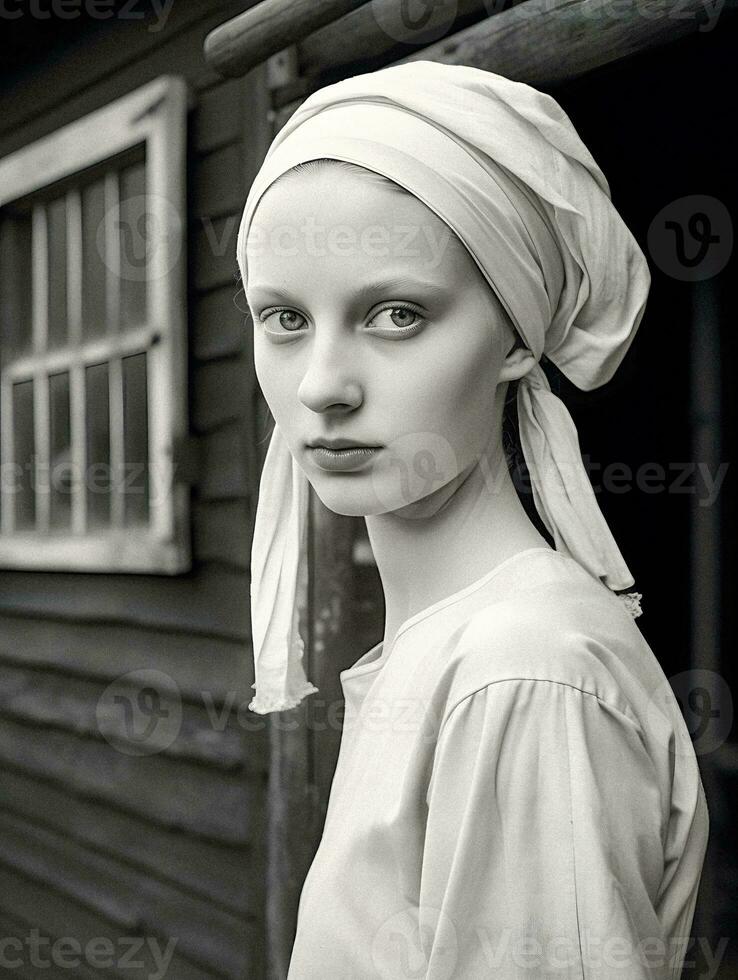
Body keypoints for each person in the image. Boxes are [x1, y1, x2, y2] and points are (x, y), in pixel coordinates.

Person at [236, 60, 709, 979]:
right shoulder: (460, 646)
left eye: (398, 314)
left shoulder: (521, 674)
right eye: (284, 318)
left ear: (519, 335)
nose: (322, 385)